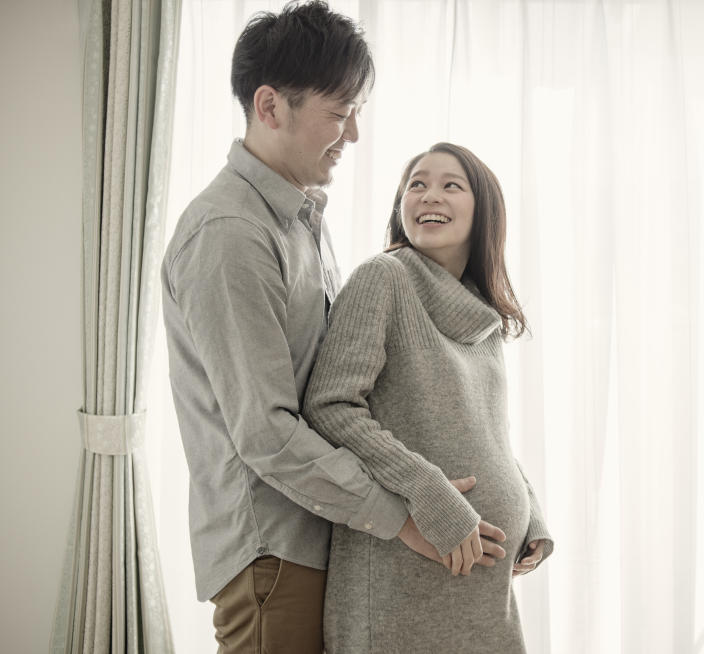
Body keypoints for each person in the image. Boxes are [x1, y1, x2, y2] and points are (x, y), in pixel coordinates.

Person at [160, 5, 505, 652]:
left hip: (317, 543)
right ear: (270, 106)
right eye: (340, 113)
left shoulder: (297, 221)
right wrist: (402, 517)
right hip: (274, 553)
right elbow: (266, 433)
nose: (352, 135)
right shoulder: (230, 236)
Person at [304, 142, 554, 653]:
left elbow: (488, 436)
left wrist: (529, 511)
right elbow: (330, 405)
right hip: (405, 570)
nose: (427, 195)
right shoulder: (384, 278)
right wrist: (428, 489)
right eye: (415, 184)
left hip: (482, 582)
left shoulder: (483, 317)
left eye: (449, 184)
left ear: (483, 209)